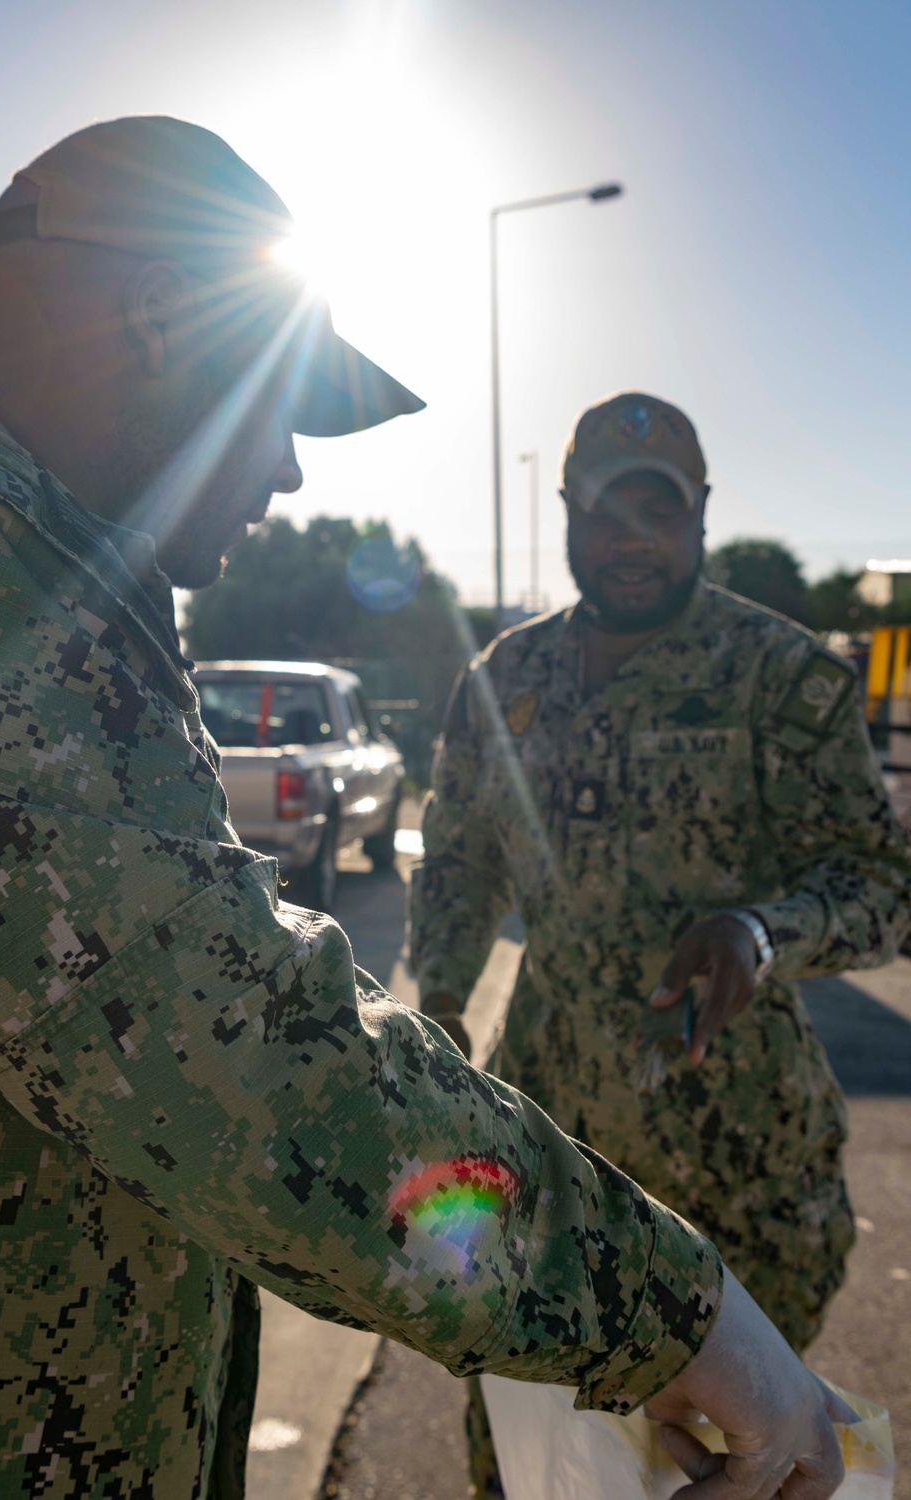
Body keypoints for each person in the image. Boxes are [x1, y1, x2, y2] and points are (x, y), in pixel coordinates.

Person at [0, 125, 852, 1500]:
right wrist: (685, 1319)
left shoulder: (8, 550)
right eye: (280, 405)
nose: (290, 473)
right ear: (167, 318)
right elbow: (257, 1064)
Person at [411, 389, 911, 1494]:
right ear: (566, 516)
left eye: (657, 511)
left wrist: (757, 931)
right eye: (601, 512)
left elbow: (882, 885)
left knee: (719, 1464)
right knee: (525, 1452)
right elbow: (458, 861)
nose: (629, 537)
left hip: (734, 1161)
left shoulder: (781, 677)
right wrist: (438, 1006)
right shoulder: (507, 679)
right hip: (548, 1144)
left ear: (699, 518)